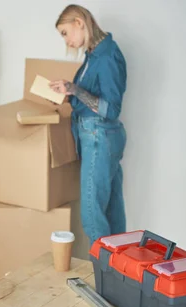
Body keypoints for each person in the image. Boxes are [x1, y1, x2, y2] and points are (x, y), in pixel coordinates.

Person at [49, 4, 127, 244]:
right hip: (97, 137)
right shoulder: (93, 55)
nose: (66, 41)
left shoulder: (107, 55)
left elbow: (110, 109)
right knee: (112, 213)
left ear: (79, 23)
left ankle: (104, 277)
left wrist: (74, 89)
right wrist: (70, 91)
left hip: (99, 137)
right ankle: (118, 277)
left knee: (92, 216)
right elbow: (90, 96)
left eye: (65, 33)